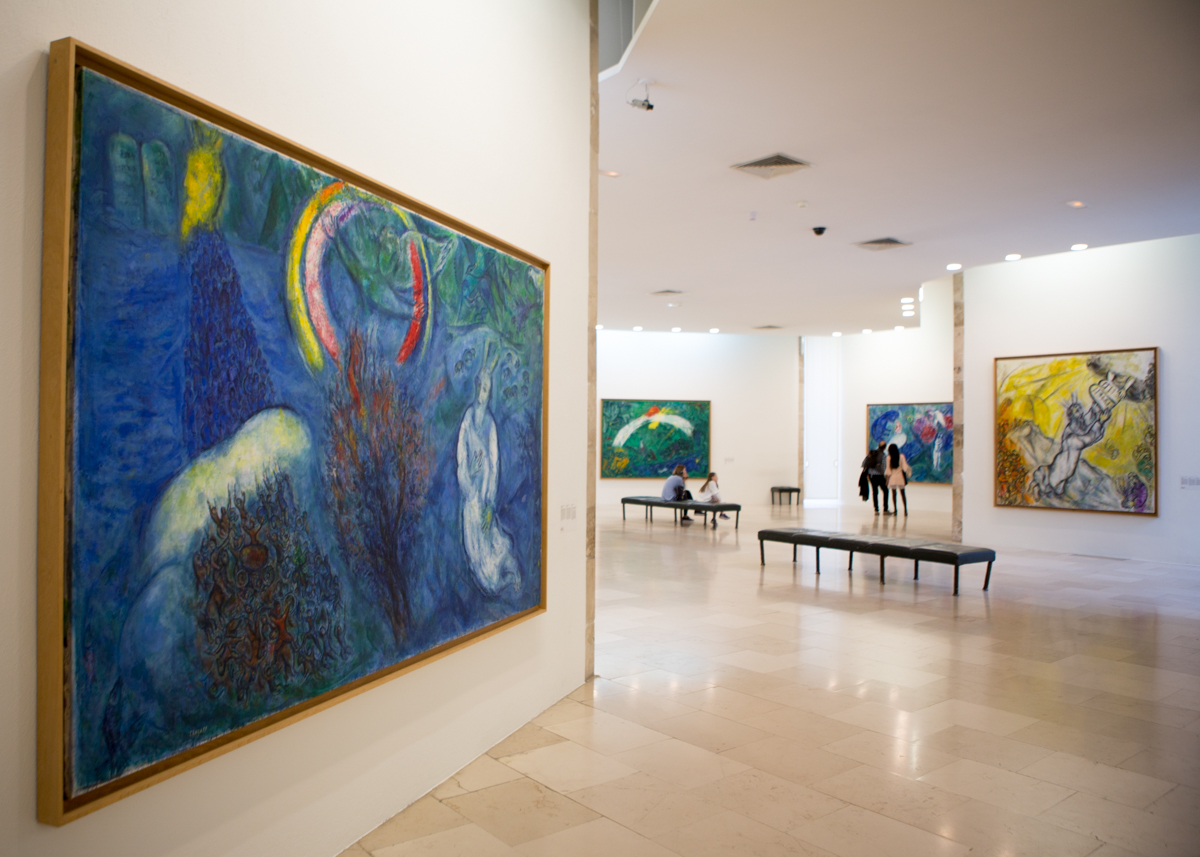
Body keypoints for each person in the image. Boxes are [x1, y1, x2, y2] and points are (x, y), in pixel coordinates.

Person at [861, 441, 889, 514]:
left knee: (875, 492)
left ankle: (876, 509)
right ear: (884, 447)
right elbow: (884, 468)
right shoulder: (883, 455)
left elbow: (864, 463)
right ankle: (885, 509)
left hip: (871, 475)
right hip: (879, 475)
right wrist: (885, 477)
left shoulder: (871, 453)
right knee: (885, 491)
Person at [885, 442, 912, 516]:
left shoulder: (888, 458)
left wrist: (887, 480)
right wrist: (908, 471)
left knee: (894, 495)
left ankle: (895, 510)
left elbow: (888, 470)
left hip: (893, 478)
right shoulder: (901, 456)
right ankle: (905, 510)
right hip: (900, 477)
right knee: (903, 494)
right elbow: (904, 467)